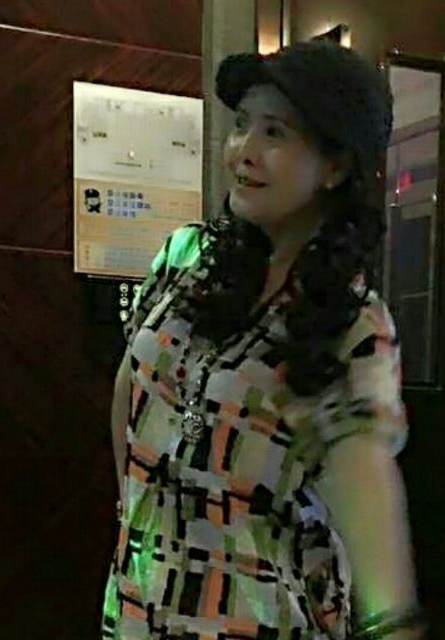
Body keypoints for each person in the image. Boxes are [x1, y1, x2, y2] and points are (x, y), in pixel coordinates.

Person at [102, 40, 423, 640]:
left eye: (275, 133)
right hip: (139, 611)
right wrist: (140, 526)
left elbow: (374, 523)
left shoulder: (349, 326)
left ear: (335, 167)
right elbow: (131, 396)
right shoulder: (185, 259)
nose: (243, 151)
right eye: (242, 124)